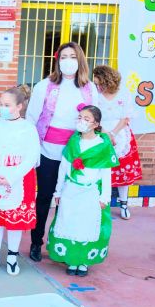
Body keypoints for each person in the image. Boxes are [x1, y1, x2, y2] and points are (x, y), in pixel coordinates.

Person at [26, 42, 99, 262]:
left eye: (73, 56)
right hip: (48, 151)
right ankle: (36, 242)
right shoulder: (45, 85)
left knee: (69, 200)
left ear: (80, 60)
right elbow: (31, 118)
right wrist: (33, 148)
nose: (68, 61)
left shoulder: (89, 88)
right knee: (45, 198)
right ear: (58, 60)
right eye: (64, 57)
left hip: (77, 154)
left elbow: (95, 118)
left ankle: (60, 244)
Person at [47, 105, 118, 277]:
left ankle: (84, 261)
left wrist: (105, 197)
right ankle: (71, 259)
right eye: (79, 117)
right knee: (70, 223)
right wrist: (58, 192)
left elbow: (106, 173)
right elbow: (63, 169)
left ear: (96, 124)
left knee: (87, 225)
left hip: (90, 193)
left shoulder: (102, 146)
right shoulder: (74, 142)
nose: (81, 121)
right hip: (71, 191)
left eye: (86, 119)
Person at [0, 86, 40, 276]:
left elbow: (32, 156)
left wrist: (12, 177)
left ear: (19, 106)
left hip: (19, 179)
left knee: (14, 220)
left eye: (7, 105)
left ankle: (12, 256)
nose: (2, 108)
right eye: (1, 104)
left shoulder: (28, 128)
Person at [93, 65, 142, 220]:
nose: (97, 86)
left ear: (107, 80)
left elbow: (126, 117)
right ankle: (98, 203)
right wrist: (103, 132)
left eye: (99, 83)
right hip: (100, 133)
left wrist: (113, 133)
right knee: (99, 170)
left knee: (123, 171)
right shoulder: (95, 95)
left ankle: (124, 204)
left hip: (121, 134)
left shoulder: (124, 94)